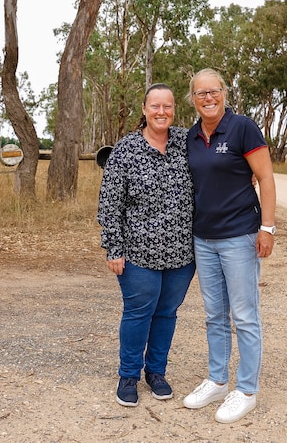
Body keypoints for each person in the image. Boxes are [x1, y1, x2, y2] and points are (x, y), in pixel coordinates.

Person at [182, 68, 277, 423]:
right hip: (203, 238)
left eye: (214, 91)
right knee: (214, 315)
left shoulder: (242, 128)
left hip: (239, 236)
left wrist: (267, 228)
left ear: (224, 93)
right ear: (193, 98)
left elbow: (265, 177)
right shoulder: (190, 136)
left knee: (245, 315)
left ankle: (247, 389)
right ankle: (218, 380)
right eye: (201, 93)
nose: (208, 98)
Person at [97, 83, 196, 407]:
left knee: (166, 313)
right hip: (138, 253)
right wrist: (114, 248)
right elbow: (109, 204)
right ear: (144, 109)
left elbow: (218, 161)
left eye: (167, 106)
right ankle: (129, 375)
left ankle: (156, 373)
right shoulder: (126, 150)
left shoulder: (185, 142)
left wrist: (246, 172)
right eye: (155, 106)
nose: (162, 112)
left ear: (173, 110)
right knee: (139, 312)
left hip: (181, 253)